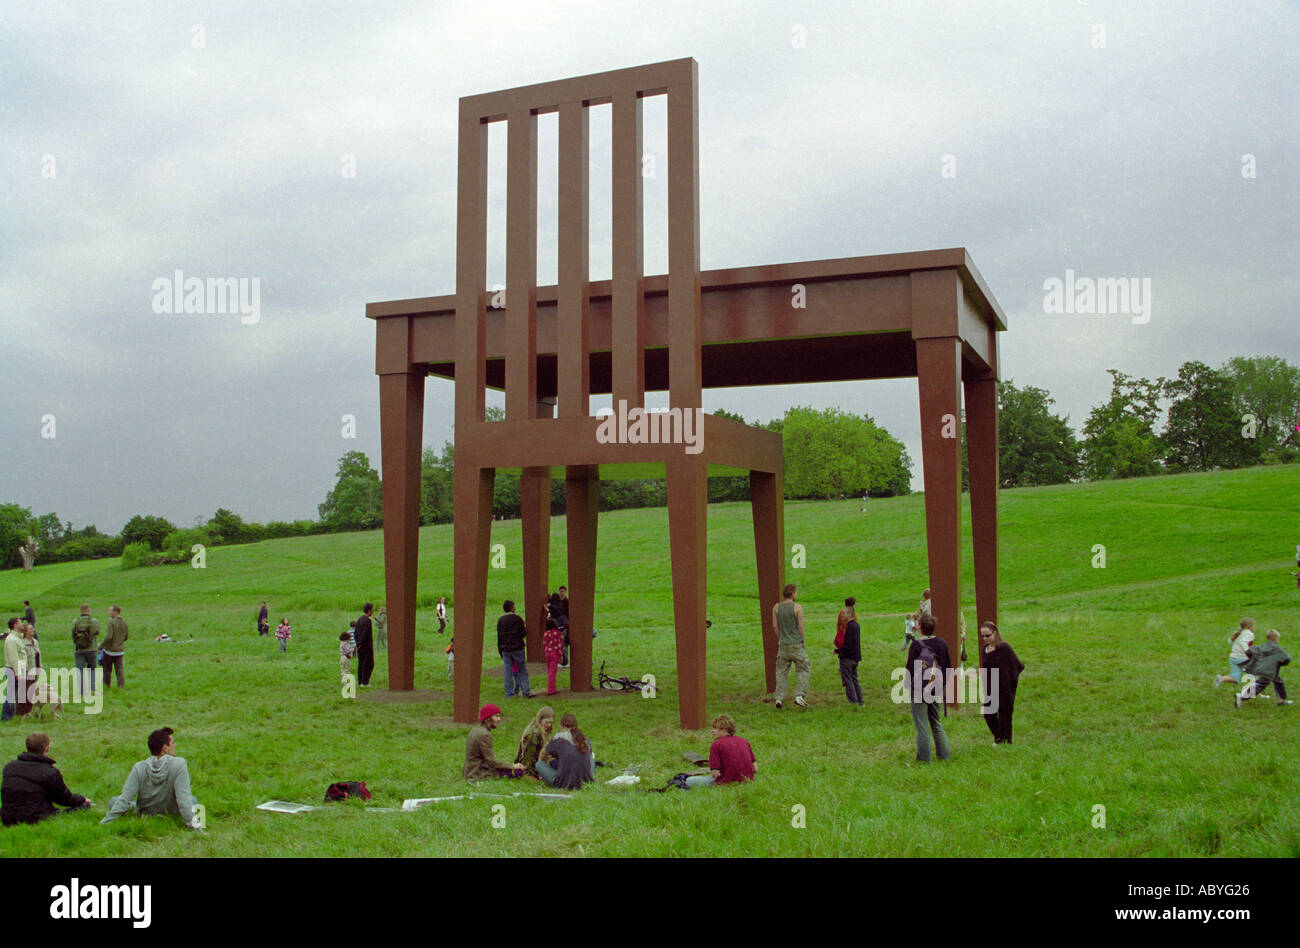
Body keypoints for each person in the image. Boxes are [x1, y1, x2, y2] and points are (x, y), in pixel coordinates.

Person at [101, 727, 203, 830]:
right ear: (165, 748)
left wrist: (105, 822)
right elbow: (184, 800)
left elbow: (125, 799)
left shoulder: (139, 767)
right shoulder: (179, 764)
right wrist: (197, 829)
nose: (176, 745)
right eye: (173, 742)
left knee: (115, 801)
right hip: (170, 811)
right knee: (193, 800)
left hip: (145, 813)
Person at [1, 733, 91, 826]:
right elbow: (64, 799)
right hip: (35, 818)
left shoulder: (9, 767)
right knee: (84, 806)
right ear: (47, 748)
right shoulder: (49, 772)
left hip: (8, 818)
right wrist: (82, 799)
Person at [906, 613, 951, 763]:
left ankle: (924, 760)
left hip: (919, 690)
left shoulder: (916, 645)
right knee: (935, 722)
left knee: (922, 725)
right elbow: (947, 667)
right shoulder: (942, 643)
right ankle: (944, 755)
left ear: (919, 626)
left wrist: (908, 686)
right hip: (935, 688)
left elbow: (910, 669)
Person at [978, 621, 1025, 744]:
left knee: (1005, 716)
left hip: (1004, 688)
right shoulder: (985, 649)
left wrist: (1008, 681)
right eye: (983, 636)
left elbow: (1017, 665)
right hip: (990, 687)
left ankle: (1006, 741)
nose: (985, 639)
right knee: (988, 714)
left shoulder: (1004, 648)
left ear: (995, 633)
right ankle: (998, 737)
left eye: (988, 635)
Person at [684, 714, 756, 788]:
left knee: (689, 780)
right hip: (747, 781)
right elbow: (755, 768)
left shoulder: (716, 744)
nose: (712, 731)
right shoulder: (744, 741)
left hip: (726, 782)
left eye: (715, 728)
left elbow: (715, 774)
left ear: (724, 729)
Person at [770, 583, 809, 709]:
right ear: (792, 594)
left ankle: (779, 698)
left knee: (781, 672)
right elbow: (801, 626)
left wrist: (780, 638)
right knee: (803, 668)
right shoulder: (797, 607)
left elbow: (775, 626)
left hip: (783, 645)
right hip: (796, 644)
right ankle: (800, 695)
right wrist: (803, 640)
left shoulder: (776, 607)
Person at [464, 705, 525, 781]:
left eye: (499, 716)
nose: (499, 719)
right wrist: (512, 766)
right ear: (488, 718)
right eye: (496, 716)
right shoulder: (485, 735)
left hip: (469, 770)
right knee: (519, 772)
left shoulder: (475, 730)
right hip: (478, 773)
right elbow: (491, 762)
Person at [1236, 629, 1292, 708]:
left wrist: (1254, 660)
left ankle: (1281, 700)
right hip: (1268, 672)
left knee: (1278, 681)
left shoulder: (1261, 646)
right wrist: (1281, 663)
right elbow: (1287, 659)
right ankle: (1241, 696)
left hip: (1260, 668)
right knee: (1261, 685)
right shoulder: (1278, 649)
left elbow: (1249, 652)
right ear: (1276, 639)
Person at [538, 713, 595, 789]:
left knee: (539, 764)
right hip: (585, 781)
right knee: (591, 758)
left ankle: (554, 776)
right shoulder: (585, 739)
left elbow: (542, 754)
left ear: (561, 725)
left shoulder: (558, 738)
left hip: (563, 783)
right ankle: (587, 777)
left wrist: (542, 771)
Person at [497, 600, 533, 698]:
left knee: (507, 671)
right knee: (522, 670)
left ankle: (509, 693)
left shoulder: (501, 620)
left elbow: (499, 637)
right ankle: (526, 691)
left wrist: (500, 650)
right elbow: (523, 633)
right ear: (512, 608)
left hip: (506, 649)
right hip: (517, 648)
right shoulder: (518, 619)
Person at [835, 599, 863, 705]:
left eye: (844, 613)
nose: (842, 615)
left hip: (848, 658)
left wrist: (838, 651)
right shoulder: (856, 625)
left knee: (848, 681)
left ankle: (853, 702)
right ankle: (860, 700)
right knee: (854, 679)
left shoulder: (850, 627)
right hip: (855, 657)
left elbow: (848, 645)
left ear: (850, 614)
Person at [1214, 618, 1255, 689]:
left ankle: (1221, 679)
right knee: (1255, 674)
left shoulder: (1238, 633)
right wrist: (1249, 652)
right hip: (1243, 658)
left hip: (1233, 658)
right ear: (1250, 626)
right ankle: (1256, 691)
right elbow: (1243, 642)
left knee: (1235, 678)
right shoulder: (1249, 634)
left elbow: (1229, 642)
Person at [515, 706, 555, 778]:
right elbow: (528, 760)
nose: (549, 725)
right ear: (540, 719)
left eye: (551, 722)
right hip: (530, 766)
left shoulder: (540, 727)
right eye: (547, 722)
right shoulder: (533, 735)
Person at [70, 604, 100, 697]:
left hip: (79, 650)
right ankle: (92, 689)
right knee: (92, 669)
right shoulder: (94, 621)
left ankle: (82, 691)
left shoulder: (75, 622)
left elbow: (72, 634)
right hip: (92, 649)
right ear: (88, 610)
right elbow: (97, 632)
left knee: (80, 670)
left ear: (81, 610)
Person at [3, 618, 28, 723]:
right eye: (20, 623)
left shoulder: (17, 638)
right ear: (15, 625)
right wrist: (18, 673)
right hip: (14, 670)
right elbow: (14, 658)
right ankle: (6, 716)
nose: (22, 624)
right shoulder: (12, 640)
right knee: (11, 694)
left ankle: (12, 714)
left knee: (16, 693)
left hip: (18, 668)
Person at [101, 604, 129, 689]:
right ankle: (121, 686)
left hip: (110, 650)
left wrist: (101, 647)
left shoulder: (111, 622)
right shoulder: (124, 623)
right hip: (120, 650)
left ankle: (106, 686)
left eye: (110, 610)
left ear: (115, 612)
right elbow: (126, 637)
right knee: (119, 670)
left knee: (107, 670)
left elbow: (109, 636)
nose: (108, 612)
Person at [354, 603, 375, 686]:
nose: (373, 611)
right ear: (369, 610)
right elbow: (365, 634)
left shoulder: (359, 620)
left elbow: (356, 633)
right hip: (366, 646)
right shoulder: (368, 621)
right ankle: (365, 682)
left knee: (361, 663)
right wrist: (361, 642)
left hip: (360, 646)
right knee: (369, 664)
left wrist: (357, 643)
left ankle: (360, 681)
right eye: (372, 610)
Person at [543, 618, 564, 696]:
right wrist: (561, 655)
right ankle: (551, 690)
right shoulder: (558, 633)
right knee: (553, 672)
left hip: (547, 653)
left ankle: (552, 688)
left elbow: (544, 644)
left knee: (549, 671)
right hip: (554, 653)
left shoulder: (545, 633)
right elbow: (560, 645)